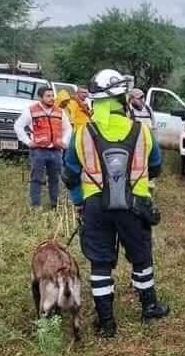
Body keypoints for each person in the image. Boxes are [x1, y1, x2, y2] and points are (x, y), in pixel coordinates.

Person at [63, 68, 169, 338]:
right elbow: (155, 166)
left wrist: (79, 202)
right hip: (135, 206)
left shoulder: (81, 133)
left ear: (95, 102)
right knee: (141, 257)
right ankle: (149, 307)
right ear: (123, 99)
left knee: (100, 262)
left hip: (95, 206)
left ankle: (107, 323)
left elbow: (70, 174)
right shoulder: (142, 131)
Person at [14, 86, 72, 208]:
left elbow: (68, 128)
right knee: (36, 178)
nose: (51, 98)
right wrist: (28, 142)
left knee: (55, 179)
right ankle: (35, 206)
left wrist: (65, 142)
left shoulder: (60, 111)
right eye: (48, 96)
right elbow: (18, 126)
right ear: (40, 98)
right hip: (39, 150)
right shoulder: (31, 110)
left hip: (56, 150)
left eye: (52, 96)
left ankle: (54, 205)